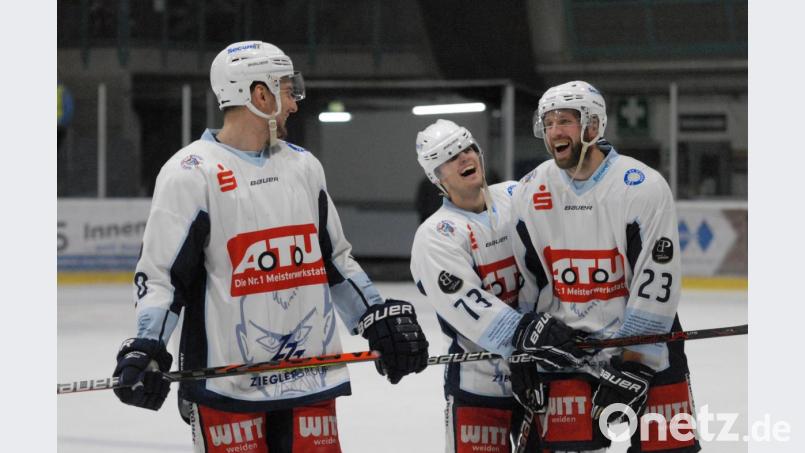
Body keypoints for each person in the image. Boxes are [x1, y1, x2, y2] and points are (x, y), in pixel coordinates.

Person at [111, 41, 429, 453]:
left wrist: (375, 316)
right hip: (229, 387)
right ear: (258, 95)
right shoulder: (191, 173)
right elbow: (163, 279)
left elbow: (334, 260)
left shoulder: (303, 165)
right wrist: (147, 346)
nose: (294, 103)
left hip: (310, 381)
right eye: (285, 88)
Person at [509, 81, 700, 452]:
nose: (553, 132)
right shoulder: (531, 190)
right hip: (567, 350)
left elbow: (657, 279)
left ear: (594, 126)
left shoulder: (641, 186)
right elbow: (529, 280)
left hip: (647, 347)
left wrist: (636, 362)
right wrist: (524, 348)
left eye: (564, 121)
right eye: (547, 123)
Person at [410, 119, 542, 452]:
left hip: (541, 374)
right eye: (452, 156)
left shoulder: (515, 196)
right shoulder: (435, 235)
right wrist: (532, 339)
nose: (466, 158)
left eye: (468, 149)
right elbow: (471, 307)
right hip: (478, 386)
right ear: (437, 177)